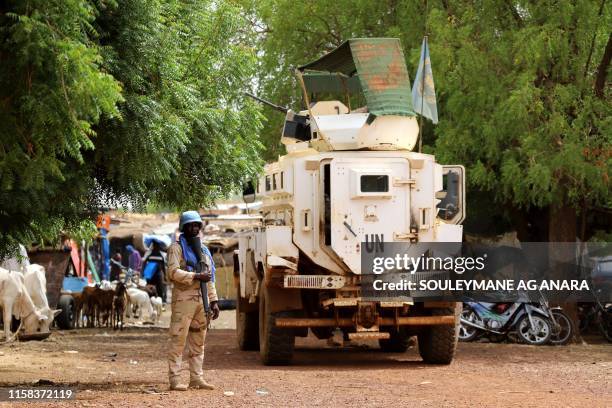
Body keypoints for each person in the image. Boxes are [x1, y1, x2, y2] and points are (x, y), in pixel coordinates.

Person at [166, 210, 220, 391]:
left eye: (197, 225)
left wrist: (214, 301)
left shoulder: (203, 250)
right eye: (191, 225)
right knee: (178, 341)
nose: (194, 228)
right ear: (184, 227)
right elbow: (173, 272)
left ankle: (196, 378)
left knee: (198, 342)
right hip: (183, 300)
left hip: (201, 301)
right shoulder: (176, 248)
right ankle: (175, 380)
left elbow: (210, 277)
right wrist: (195, 275)